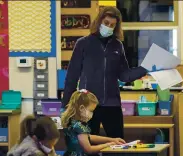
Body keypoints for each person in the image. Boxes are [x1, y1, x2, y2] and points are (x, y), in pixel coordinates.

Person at [61, 6, 148, 139]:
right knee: (88, 145)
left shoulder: (117, 46)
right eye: (106, 23)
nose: (108, 27)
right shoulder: (83, 44)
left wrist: (145, 68)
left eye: (112, 25)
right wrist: (66, 106)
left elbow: (124, 75)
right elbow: (72, 77)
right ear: (99, 22)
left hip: (112, 105)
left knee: (118, 143)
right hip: (87, 105)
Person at [61, 90, 126, 156]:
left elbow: (88, 137)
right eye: (91, 111)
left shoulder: (72, 122)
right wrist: (109, 144)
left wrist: (112, 140)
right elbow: (89, 149)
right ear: (82, 108)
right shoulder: (79, 126)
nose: (92, 114)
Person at [5, 115, 80, 156]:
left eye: (53, 145)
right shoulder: (30, 150)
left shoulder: (45, 142)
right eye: (49, 145)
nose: (51, 148)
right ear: (36, 138)